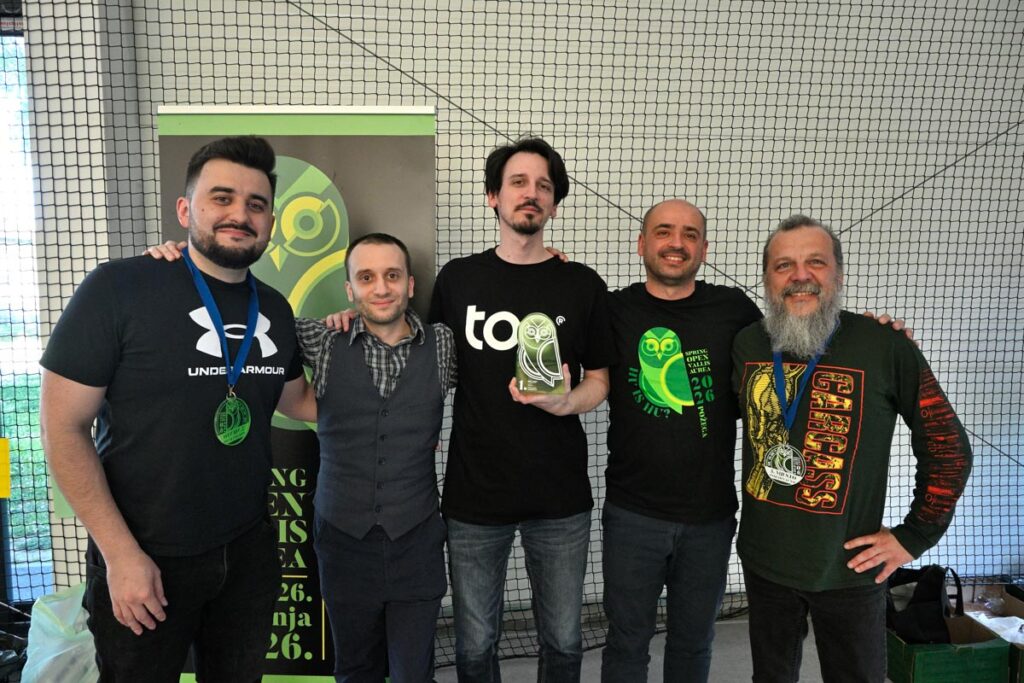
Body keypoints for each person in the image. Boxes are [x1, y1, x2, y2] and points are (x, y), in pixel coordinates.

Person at [39, 136, 314, 682]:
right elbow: (62, 428)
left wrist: (387, 375)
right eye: (222, 198)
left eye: (256, 204)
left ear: (270, 222)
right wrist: (120, 555)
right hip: (145, 555)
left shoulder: (275, 309)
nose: (240, 214)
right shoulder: (119, 287)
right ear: (186, 210)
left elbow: (301, 401)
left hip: (248, 551)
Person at [731, 214, 972, 682]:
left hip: (851, 569)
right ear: (767, 279)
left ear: (838, 274)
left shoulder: (883, 345)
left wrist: (913, 537)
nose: (800, 276)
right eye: (784, 265)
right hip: (764, 563)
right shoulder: (746, 344)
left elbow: (949, 449)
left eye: (816, 262)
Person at [429, 137, 615, 682]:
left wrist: (567, 402)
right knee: (473, 646)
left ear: (554, 204)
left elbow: (600, 381)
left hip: (559, 499)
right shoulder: (457, 279)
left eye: (543, 186)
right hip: (473, 495)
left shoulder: (582, 284)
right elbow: (429, 370)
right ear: (493, 196)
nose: (531, 193)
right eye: (518, 182)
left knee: (563, 642)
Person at [601, 199, 762, 683]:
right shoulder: (614, 310)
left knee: (693, 643)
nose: (677, 243)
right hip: (632, 515)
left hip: (709, 518)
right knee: (626, 643)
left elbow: (792, 351)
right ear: (641, 244)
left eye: (690, 234)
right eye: (664, 231)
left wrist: (867, 333)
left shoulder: (734, 309)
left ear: (704, 249)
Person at [295, 233, 455, 683]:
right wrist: (176, 259)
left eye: (392, 276)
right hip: (342, 538)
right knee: (354, 669)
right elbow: (247, 318)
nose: (381, 288)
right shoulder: (320, 339)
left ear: (410, 284)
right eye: (366, 278)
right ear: (350, 290)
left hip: (416, 537)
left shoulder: (443, 344)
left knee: (413, 674)